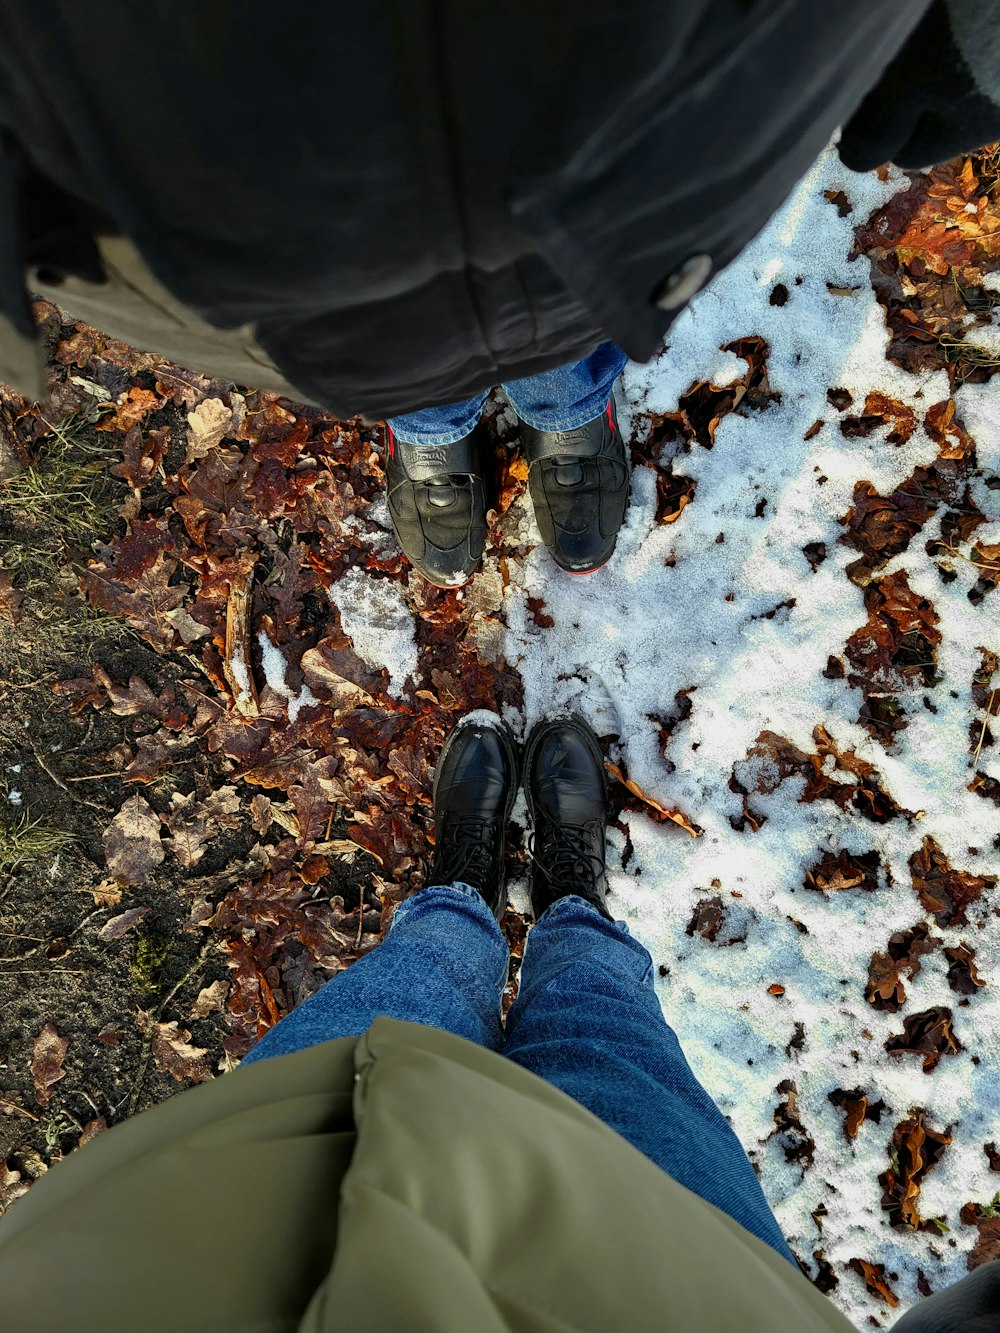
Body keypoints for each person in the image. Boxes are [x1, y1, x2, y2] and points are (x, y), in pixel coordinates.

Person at [0, 713, 996, 1330]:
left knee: (419, 987)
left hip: (222, 1243)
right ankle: (570, 895)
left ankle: (463, 884)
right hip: (667, 1285)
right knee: (604, 1038)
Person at [2, 3, 999, 588]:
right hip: (223, 195)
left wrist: (971, 34)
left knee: (581, 285)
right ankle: (428, 427)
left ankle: (566, 407)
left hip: (654, 103)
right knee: (362, 332)